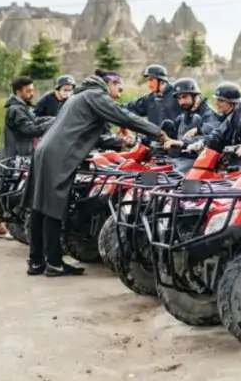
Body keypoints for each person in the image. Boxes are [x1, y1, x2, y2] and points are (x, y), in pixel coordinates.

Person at [25, 69, 168, 277]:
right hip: (60, 154)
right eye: (118, 84)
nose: (121, 89)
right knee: (52, 209)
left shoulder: (80, 96)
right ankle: (54, 263)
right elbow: (123, 116)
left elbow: (91, 134)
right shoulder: (95, 95)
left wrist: (121, 142)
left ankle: (36, 261)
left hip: (46, 151)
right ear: (108, 84)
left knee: (40, 207)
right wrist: (158, 132)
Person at [0, 77, 54, 238]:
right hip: (17, 156)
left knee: (8, 190)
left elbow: (34, 120)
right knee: (17, 192)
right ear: (18, 92)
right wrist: (52, 124)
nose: (32, 93)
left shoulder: (21, 108)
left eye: (32, 90)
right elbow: (29, 129)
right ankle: (7, 225)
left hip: (15, 155)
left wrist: (51, 119)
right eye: (28, 91)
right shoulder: (16, 110)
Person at [162, 78, 221, 169]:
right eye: (179, 98)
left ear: (195, 96)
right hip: (181, 158)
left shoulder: (209, 114)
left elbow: (209, 137)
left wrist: (182, 142)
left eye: (185, 97)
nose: (182, 102)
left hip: (200, 160)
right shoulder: (185, 114)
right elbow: (172, 132)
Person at [124, 64, 181, 129]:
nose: (149, 84)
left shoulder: (177, 96)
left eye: (151, 80)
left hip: (174, 138)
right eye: (148, 80)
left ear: (161, 80)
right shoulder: (150, 99)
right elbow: (130, 108)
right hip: (154, 137)